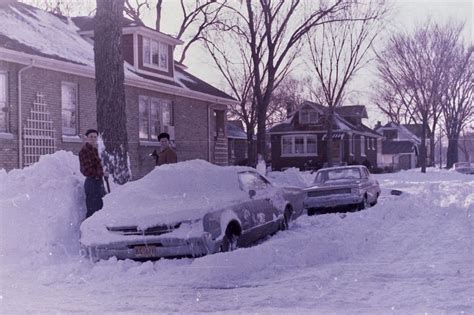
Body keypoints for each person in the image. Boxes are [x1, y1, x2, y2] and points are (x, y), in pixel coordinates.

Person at [79, 129, 107, 218]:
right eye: (91, 137)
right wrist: (102, 173)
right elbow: (87, 170)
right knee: (93, 210)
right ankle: (89, 231)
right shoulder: (85, 151)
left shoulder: (94, 150)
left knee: (100, 208)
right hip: (92, 183)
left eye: (95, 137)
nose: (93, 139)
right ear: (86, 138)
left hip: (98, 182)